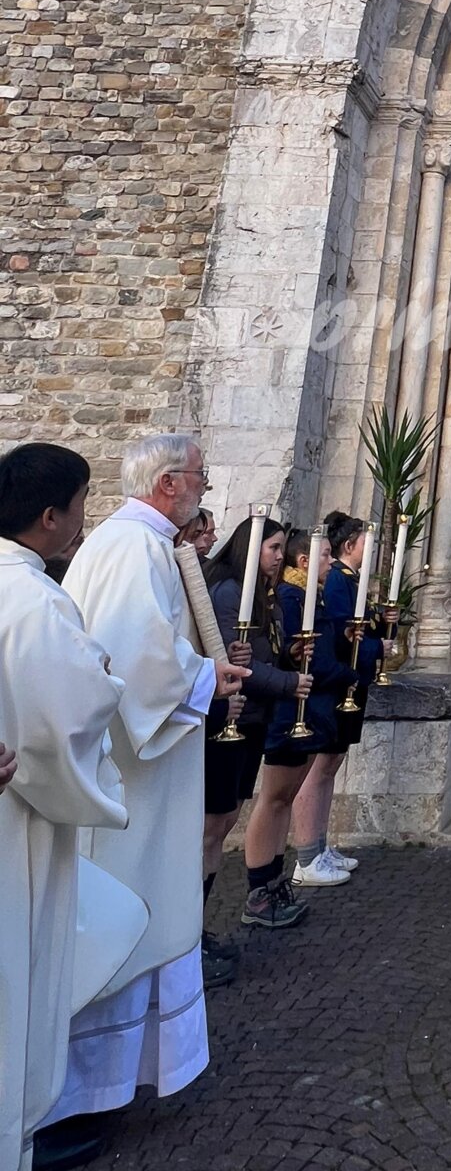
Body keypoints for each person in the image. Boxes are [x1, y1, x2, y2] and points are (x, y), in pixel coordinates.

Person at [46, 435, 248, 1135]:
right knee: (126, 917)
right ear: (167, 483)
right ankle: (83, 1092)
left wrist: (196, 670)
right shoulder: (135, 548)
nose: (205, 485)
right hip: (136, 775)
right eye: (197, 475)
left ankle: (102, 1081)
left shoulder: (136, 544)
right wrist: (205, 678)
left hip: (142, 766)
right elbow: (140, 659)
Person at [0, 445, 129, 1171]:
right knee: (18, 984)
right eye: (81, 504)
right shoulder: (35, 599)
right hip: (17, 823)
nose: (85, 521)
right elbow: (68, 711)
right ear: (50, 518)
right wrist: (102, 676)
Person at [204, 516, 310, 941]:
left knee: (225, 818)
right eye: (272, 548)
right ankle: (187, 931)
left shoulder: (267, 596)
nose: (280, 556)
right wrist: (290, 682)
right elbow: (239, 665)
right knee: (213, 824)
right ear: (251, 550)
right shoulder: (232, 593)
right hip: (232, 717)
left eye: (283, 547)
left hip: (253, 718)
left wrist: (290, 654)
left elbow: (264, 653)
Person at [242, 530, 353, 915]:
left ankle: (273, 882)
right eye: (324, 555)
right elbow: (287, 656)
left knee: (283, 799)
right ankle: (260, 890)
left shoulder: (302, 595)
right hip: (290, 709)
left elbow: (292, 650)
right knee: (273, 798)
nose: (331, 561)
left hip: (306, 705)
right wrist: (345, 672)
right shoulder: (289, 596)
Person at [290, 513, 383, 886]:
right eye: (322, 555)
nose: (327, 562)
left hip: (349, 680)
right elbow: (344, 635)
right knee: (318, 767)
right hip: (337, 680)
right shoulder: (337, 584)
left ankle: (320, 846)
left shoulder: (348, 581)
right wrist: (377, 645)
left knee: (330, 765)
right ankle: (307, 855)